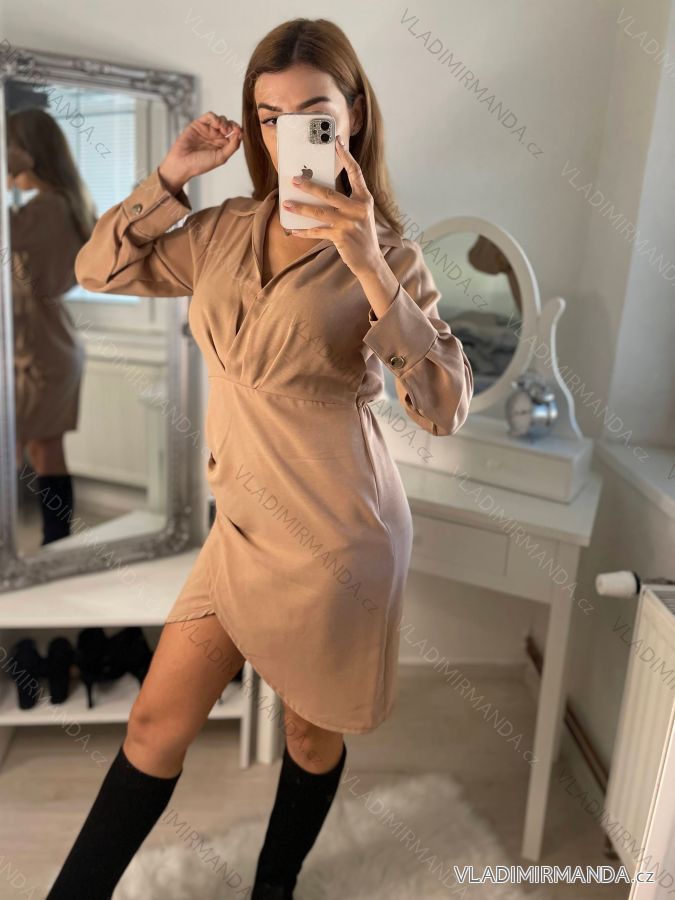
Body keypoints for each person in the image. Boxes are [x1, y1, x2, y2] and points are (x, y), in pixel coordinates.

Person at [45, 17, 474, 900]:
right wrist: (170, 178)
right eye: (268, 117)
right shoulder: (222, 230)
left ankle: (272, 887)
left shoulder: (391, 255)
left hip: (334, 542)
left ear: (351, 117)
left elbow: (440, 408)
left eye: (311, 114)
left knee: (309, 738)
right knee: (152, 727)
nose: (286, 136)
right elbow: (96, 270)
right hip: (238, 528)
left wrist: (366, 263)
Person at [7, 108, 95, 544]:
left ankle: (43, 546)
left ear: (26, 152)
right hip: (48, 345)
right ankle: (56, 545)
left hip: (42, 352)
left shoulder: (46, 208)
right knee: (45, 448)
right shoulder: (58, 203)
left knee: (20, 445)